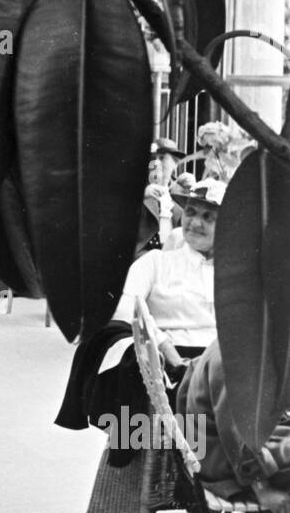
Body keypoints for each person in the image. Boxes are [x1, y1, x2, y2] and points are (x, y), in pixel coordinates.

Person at [56, 180, 225, 456]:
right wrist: (163, 346)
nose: (195, 222)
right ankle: (168, 463)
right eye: (192, 212)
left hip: (219, 364)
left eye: (208, 217)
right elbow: (125, 304)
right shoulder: (158, 262)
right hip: (163, 361)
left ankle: (211, 473)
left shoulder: (238, 274)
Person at [177, 341, 290, 513]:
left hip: (219, 440)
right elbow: (238, 436)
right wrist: (262, 489)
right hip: (221, 458)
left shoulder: (243, 333)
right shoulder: (238, 360)